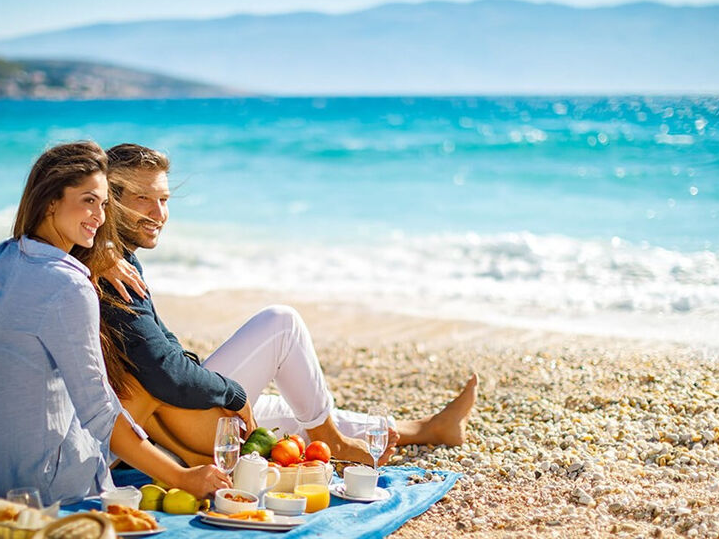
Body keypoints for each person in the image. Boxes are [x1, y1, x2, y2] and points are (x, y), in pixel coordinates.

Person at [100, 143, 479, 467]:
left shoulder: (105, 257)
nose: (159, 214)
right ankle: (331, 439)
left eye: (163, 200)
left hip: (164, 421)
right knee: (282, 324)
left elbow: (158, 353)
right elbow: (164, 370)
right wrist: (231, 392)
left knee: (279, 412)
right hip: (164, 426)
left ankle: (425, 429)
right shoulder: (111, 269)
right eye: (142, 199)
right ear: (110, 201)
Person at [0, 142, 231, 504]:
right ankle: (192, 463)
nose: (100, 216)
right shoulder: (71, 285)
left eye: (105, 204)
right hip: (35, 484)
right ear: (50, 201)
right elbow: (100, 412)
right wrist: (181, 479)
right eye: (88, 201)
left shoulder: (1, 258)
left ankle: (188, 457)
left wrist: (103, 253)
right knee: (136, 386)